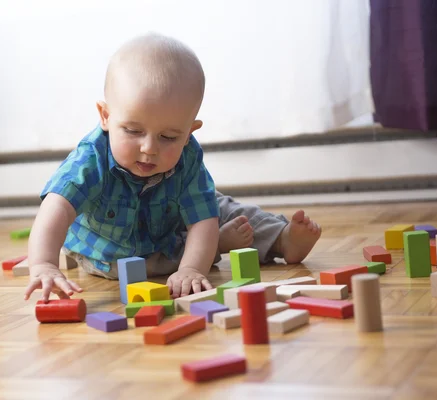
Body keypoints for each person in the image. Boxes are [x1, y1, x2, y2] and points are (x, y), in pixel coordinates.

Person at [23, 33, 321, 303]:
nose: (149, 148)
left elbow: (204, 217)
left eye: (168, 137)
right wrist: (44, 264)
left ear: (190, 131)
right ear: (105, 116)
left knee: (226, 208)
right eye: (133, 131)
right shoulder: (89, 162)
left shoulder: (187, 156)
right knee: (132, 264)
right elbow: (56, 210)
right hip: (112, 247)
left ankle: (282, 238)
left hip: (167, 215)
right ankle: (217, 245)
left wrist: (191, 270)